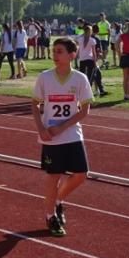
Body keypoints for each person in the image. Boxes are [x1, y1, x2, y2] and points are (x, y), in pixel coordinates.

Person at [31, 37, 93, 237]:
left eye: (59, 51)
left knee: (81, 174)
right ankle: (50, 216)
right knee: (53, 177)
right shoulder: (45, 77)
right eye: (54, 51)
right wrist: (41, 128)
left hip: (72, 135)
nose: (54, 55)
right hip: (51, 138)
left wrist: (63, 127)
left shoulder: (80, 79)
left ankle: (57, 200)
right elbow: (35, 104)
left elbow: (85, 110)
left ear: (72, 55)